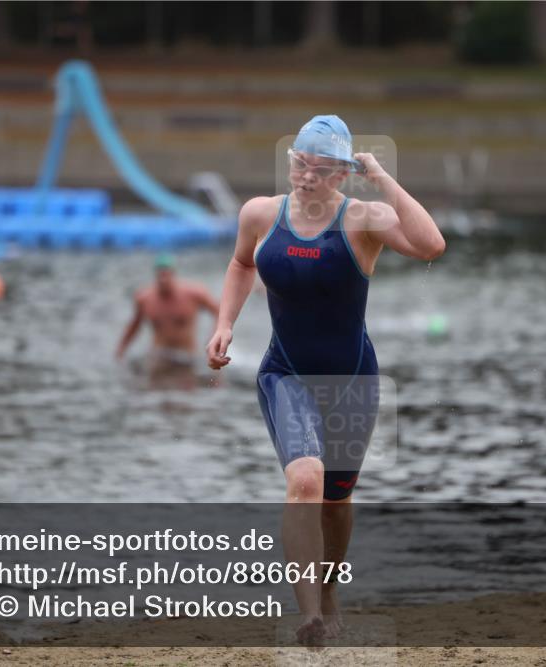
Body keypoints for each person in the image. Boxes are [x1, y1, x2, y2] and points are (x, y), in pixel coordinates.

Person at [206, 115, 445, 644]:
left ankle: (330, 590)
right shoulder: (261, 214)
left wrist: (380, 176)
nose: (305, 175)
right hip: (285, 372)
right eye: (299, 163)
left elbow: (431, 245)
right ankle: (309, 614)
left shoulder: (365, 219)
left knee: (336, 499)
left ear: (341, 175)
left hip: (352, 381)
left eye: (318, 168)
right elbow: (241, 264)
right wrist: (225, 324)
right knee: (304, 484)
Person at [116, 254, 220, 389]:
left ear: (173, 274)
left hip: (187, 357)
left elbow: (218, 312)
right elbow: (134, 325)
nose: (163, 279)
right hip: (160, 355)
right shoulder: (145, 299)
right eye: (160, 275)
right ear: (155, 276)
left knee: (189, 391)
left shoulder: (194, 294)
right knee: (155, 390)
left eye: (166, 274)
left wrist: (214, 337)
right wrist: (121, 349)